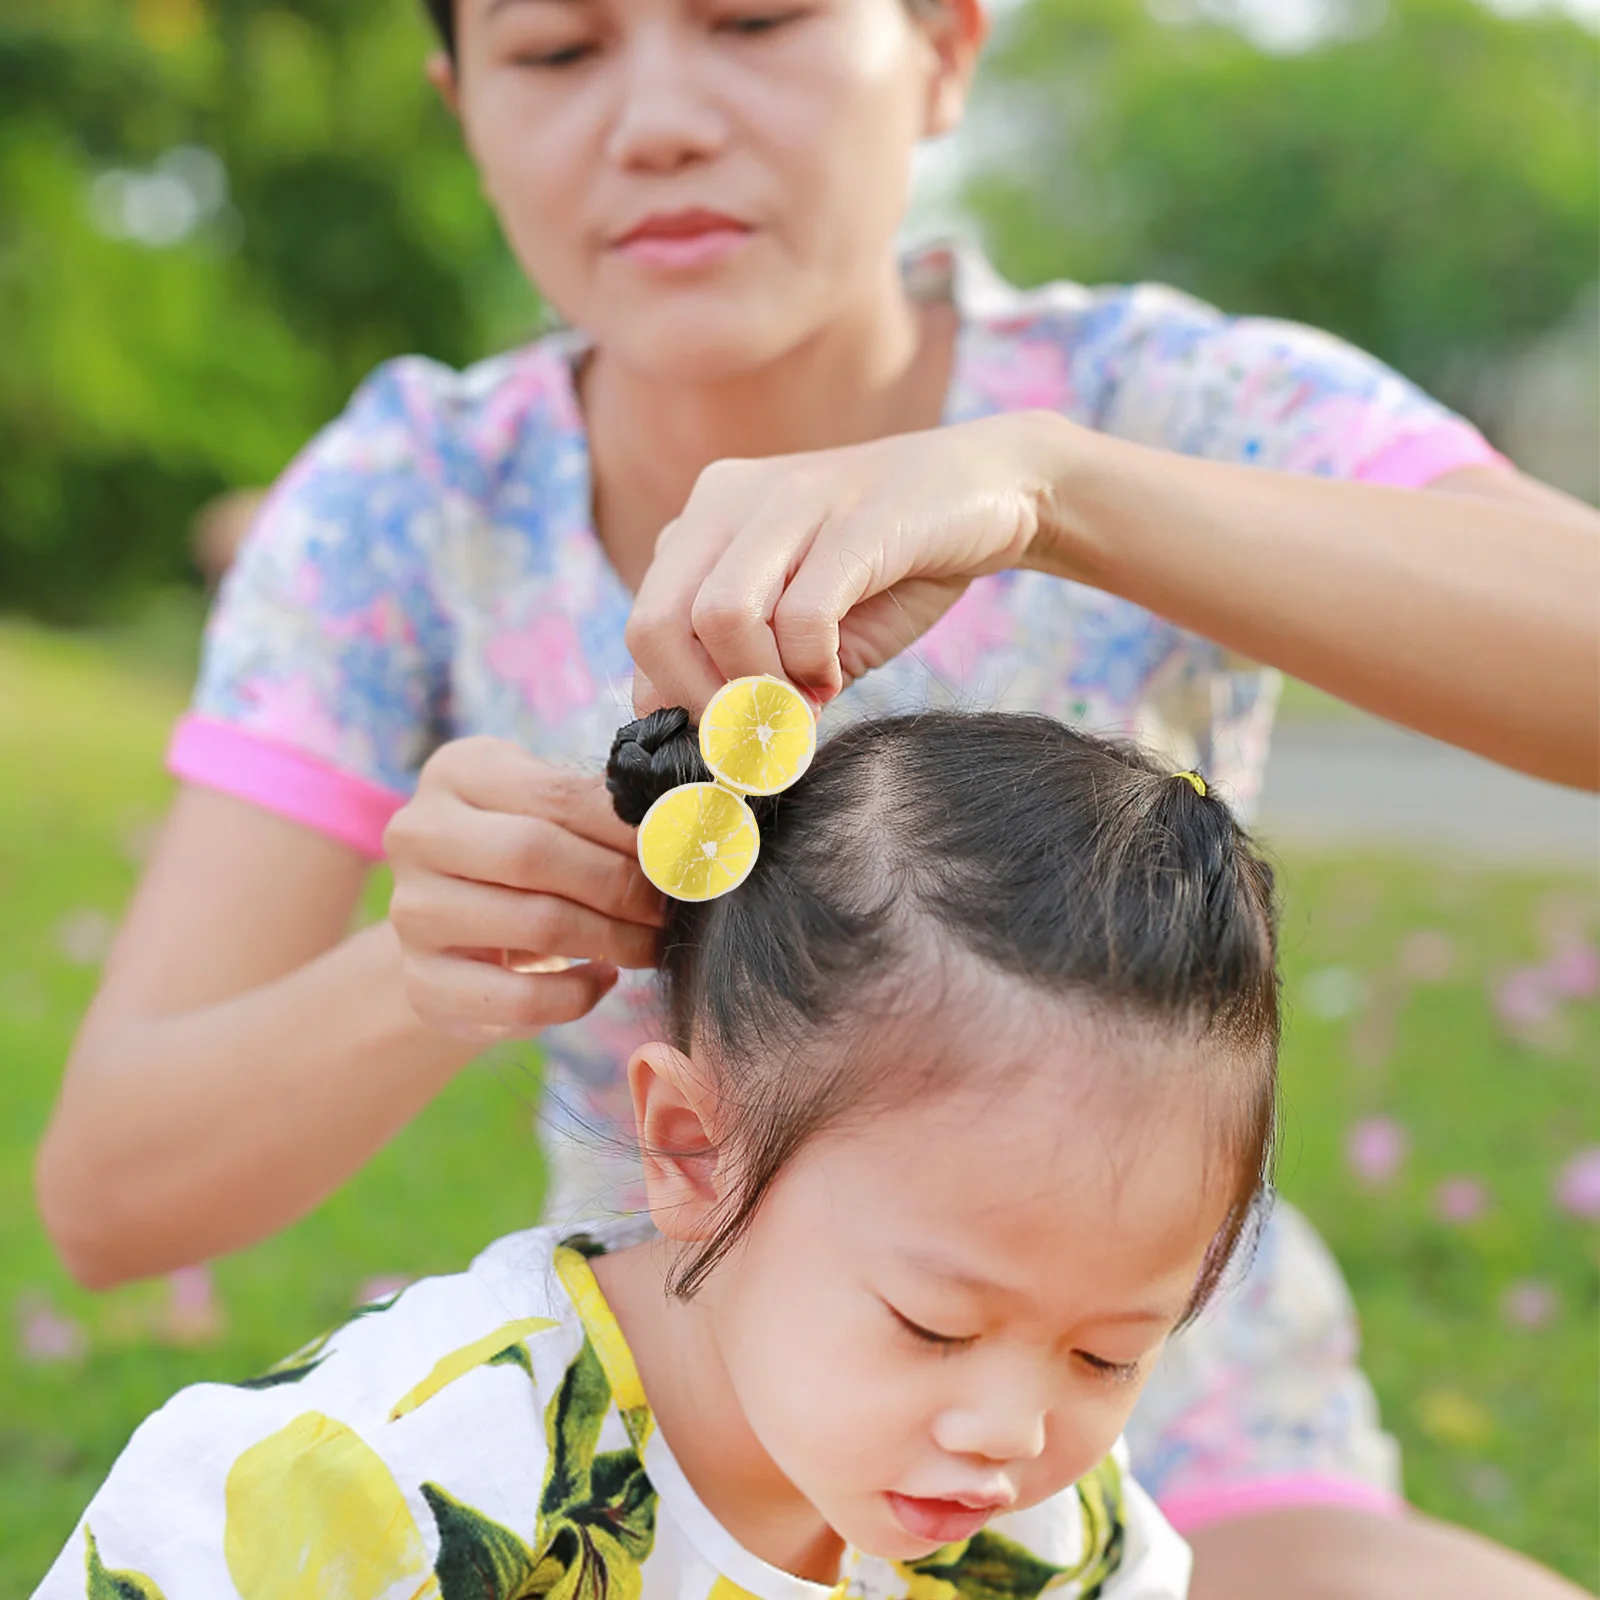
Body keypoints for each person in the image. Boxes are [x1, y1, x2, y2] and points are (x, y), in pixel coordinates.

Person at [35, 0, 1597, 1593]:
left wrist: (1059, 493)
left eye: (755, 19)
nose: (657, 120)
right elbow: (113, 1195)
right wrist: (429, 964)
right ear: (463, 106)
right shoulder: (407, 506)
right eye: (558, 53)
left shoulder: (1151, 401)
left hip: (1185, 1448)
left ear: (943, 51)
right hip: (697, 1431)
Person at [36, 707, 1279, 1599]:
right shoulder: (376, 1486)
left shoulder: (1062, 1544)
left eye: (1107, 1352)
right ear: (692, 1149)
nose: (1011, 1432)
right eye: (934, 1324)